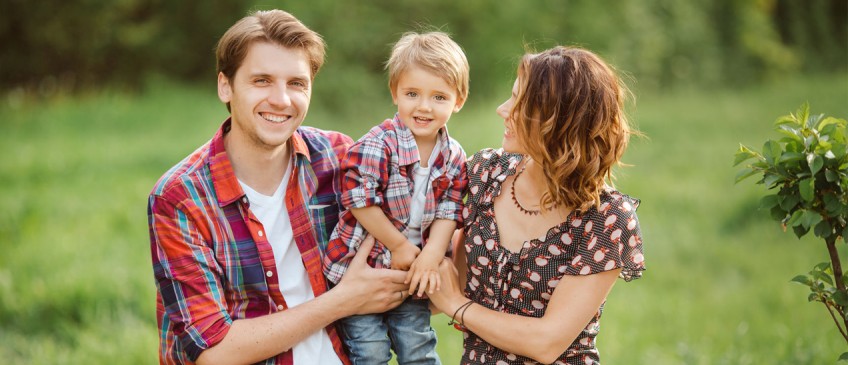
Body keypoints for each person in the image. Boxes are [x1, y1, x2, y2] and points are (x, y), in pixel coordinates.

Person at [147, 10, 410, 365]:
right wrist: (344, 300)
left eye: (296, 83)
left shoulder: (336, 158)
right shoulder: (180, 197)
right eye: (262, 81)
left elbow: (406, 258)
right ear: (225, 85)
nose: (281, 100)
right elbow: (213, 352)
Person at [428, 46, 646, 364]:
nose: (503, 109)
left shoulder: (607, 218)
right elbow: (450, 282)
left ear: (561, 121)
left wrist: (457, 306)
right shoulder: (484, 174)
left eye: (521, 103)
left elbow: (547, 343)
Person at [322, 31, 469, 364]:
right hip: (365, 267)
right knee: (370, 350)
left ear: (458, 101)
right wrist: (398, 246)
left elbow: (451, 208)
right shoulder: (378, 144)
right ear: (395, 93)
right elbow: (359, 200)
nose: (424, 107)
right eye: (413, 93)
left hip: (414, 271)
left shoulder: (455, 156)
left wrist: (431, 253)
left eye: (439, 97)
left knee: (416, 346)